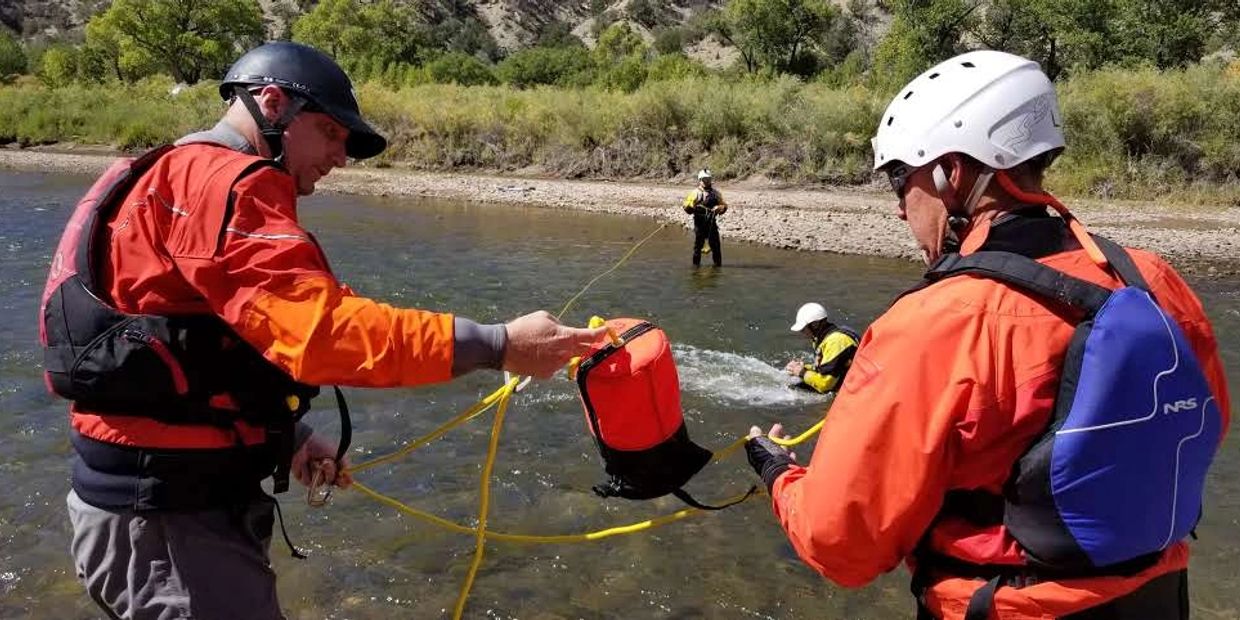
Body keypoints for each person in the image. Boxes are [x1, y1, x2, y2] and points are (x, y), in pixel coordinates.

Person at [42, 41, 606, 620]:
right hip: (168, 518)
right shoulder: (224, 183)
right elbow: (322, 334)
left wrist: (287, 435)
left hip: (151, 509)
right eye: (331, 133)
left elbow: (197, 336)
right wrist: (500, 345)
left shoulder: (169, 174)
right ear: (273, 103)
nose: (341, 156)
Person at [744, 50, 1229, 619]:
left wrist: (779, 472)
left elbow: (843, 545)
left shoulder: (933, 325)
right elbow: (1204, 424)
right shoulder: (1152, 278)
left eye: (901, 177)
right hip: (1159, 599)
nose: (900, 209)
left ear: (953, 172)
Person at [783, 302, 859, 394]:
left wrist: (802, 372)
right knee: (791, 385)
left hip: (854, 389)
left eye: (803, 329)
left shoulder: (836, 341)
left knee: (793, 389)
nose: (803, 333)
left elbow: (825, 384)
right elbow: (828, 367)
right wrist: (802, 367)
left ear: (815, 325)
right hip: (844, 381)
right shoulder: (828, 337)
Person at [682, 168, 727, 266]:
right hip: (700, 224)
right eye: (704, 180)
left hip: (712, 225)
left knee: (716, 248)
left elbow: (724, 206)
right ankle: (695, 269)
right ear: (700, 180)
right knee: (698, 247)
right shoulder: (695, 193)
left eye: (708, 179)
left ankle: (717, 267)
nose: (707, 182)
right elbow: (686, 208)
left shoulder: (716, 194)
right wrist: (690, 207)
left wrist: (719, 208)